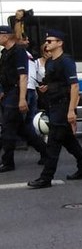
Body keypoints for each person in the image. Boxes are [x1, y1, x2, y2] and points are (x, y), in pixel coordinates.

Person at [27, 30, 82, 188]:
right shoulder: (50, 62)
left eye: (50, 41)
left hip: (62, 106)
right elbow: (53, 82)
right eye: (46, 41)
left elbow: (74, 86)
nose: (47, 43)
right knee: (69, 141)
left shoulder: (66, 61)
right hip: (52, 104)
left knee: (53, 143)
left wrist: (71, 110)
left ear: (60, 43)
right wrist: (45, 88)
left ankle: (46, 177)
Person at [0, 25, 48, 173]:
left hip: (16, 92)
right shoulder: (4, 53)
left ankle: (8, 162)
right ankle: (45, 152)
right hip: (8, 92)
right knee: (22, 129)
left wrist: (22, 99)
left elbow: (23, 76)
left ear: (6, 36)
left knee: (8, 128)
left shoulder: (18, 51)